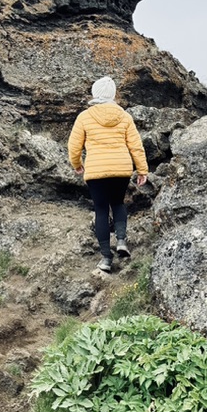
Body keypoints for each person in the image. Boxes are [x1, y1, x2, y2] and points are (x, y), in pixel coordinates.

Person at [68, 76, 148, 273]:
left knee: (101, 210)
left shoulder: (85, 117)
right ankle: (121, 240)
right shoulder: (124, 116)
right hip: (121, 169)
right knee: (118, 203)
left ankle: (105, 258)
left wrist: (77, 164)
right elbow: (136, 146)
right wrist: (142, 170)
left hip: (96, 171)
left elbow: (74, 146)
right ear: (112, 95)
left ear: (95, 93)